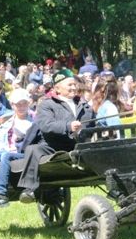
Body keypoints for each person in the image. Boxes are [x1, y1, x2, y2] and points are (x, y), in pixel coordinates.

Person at [16, 70, 93, 203]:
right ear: (57, 88)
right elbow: (46, 125)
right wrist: (68, 126)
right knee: (33, 150)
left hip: (79, 145)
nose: (74, 88)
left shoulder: (84, 105)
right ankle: (29, 189)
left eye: (74, 85)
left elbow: (91, 125)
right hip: (53, 146)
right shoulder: (46, 104)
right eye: (70, 85)